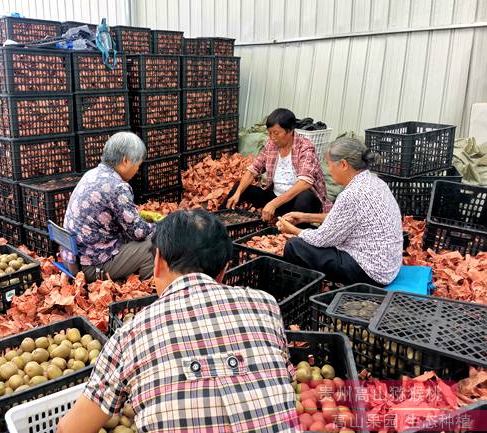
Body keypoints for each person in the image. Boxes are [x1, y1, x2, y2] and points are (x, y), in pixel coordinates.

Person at [57, 210, 299, 433]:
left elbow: (69, 430)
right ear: (225, 269)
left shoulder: (131, 334)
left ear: (158, 261)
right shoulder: (266, 305)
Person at [276, 137, 402, 286]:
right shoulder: (376, 182)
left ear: (343, 164)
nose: (328, 170)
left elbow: (321, 239)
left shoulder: (351, 194)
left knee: (294, 247)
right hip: (389, 265)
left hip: (371, 273)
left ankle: (301, 291)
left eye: (329, 165)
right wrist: (305, 217)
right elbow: (343, 217)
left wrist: (293, 230)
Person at [62, 132, 156, 282]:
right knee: (153, 246)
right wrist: (161, 226)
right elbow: (139, 233)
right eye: (138, 165)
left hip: (73, 259)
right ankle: (146, 291)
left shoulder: (92, 174)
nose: (137, 170)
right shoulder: (117, 186)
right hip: (91, 266)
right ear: (125, 161)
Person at [221, 108, 331, 223]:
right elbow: (253, 170)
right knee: (239, 187)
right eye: (270, 133)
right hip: (276, 196)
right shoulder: (271, 144)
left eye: (276, 133)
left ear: (290, 131)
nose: (272, 137)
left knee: (305, 197)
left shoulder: (305, 147)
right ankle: (218, 221)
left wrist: (274, 204)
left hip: (298, 202)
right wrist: (238, 193)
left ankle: (294, 231)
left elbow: (304, 183)